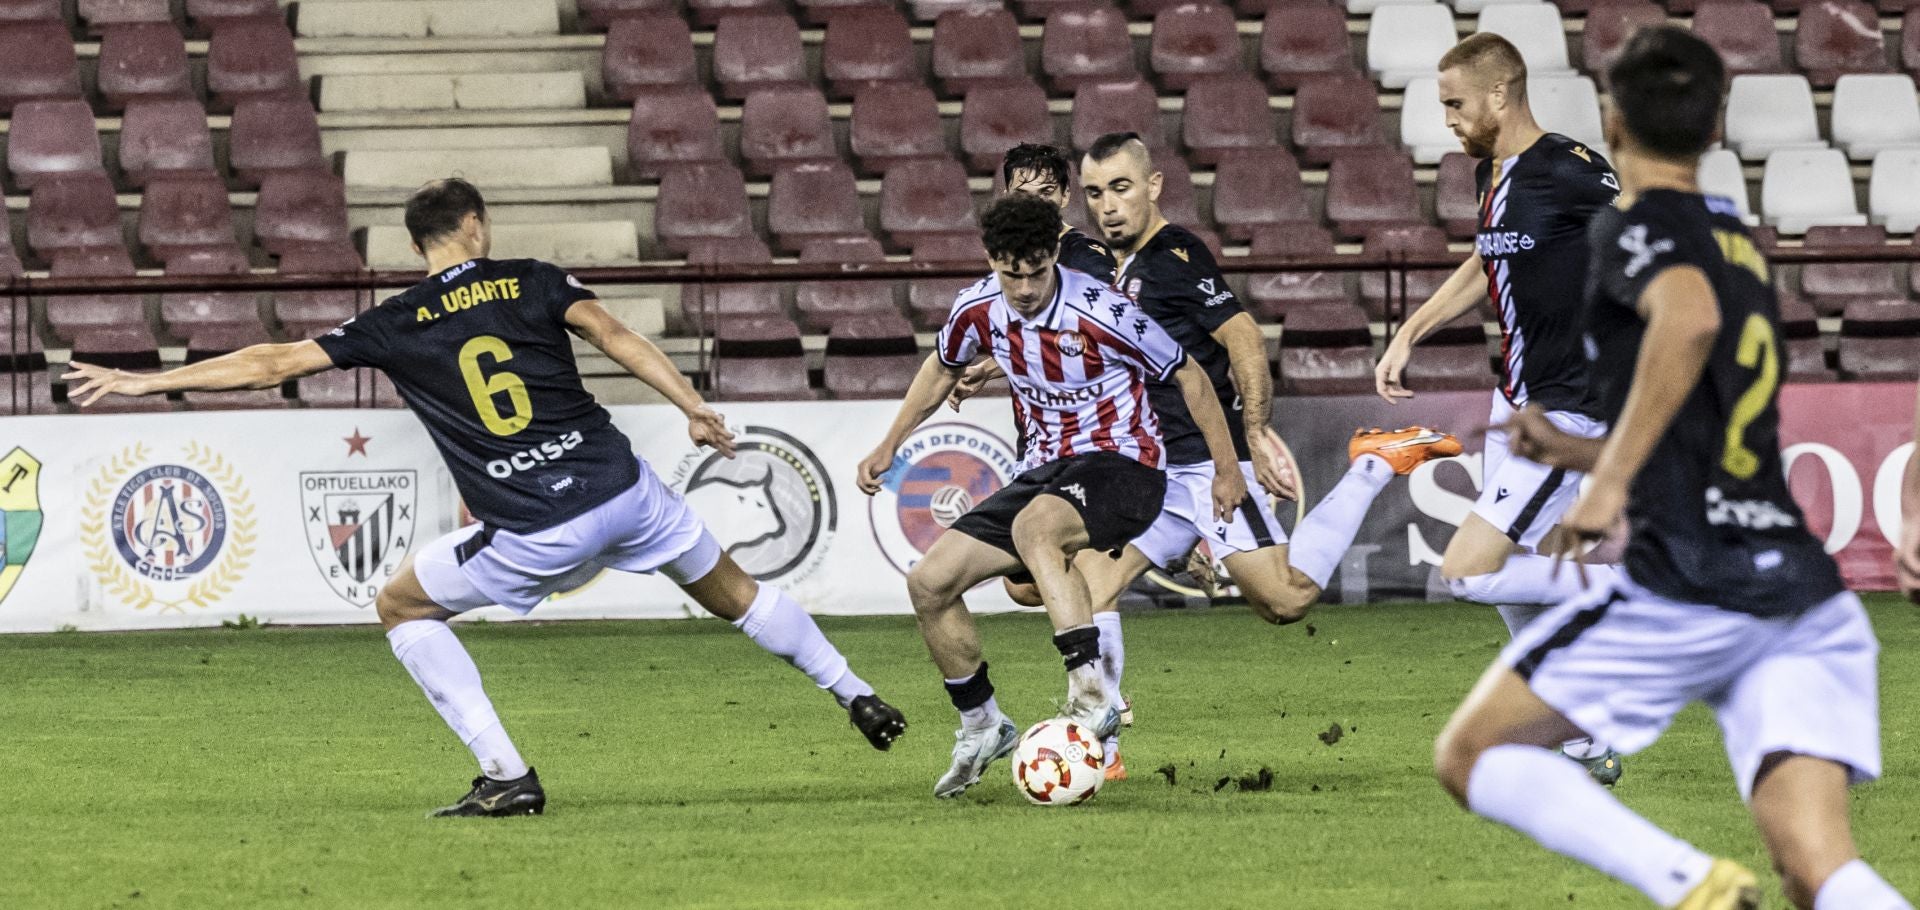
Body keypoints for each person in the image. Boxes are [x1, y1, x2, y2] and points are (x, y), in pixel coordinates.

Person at [64, 178, 907, 817]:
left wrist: (147, 383)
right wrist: (692, 406)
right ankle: (855, 692)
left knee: (401, 605)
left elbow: (272, 361)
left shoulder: (396, 320)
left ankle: (508, 778)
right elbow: (613, 336)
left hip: (535, 526)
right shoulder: (532, 279)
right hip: (625, 489)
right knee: (735, 593)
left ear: (420, 243)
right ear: (475, 227)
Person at [1432, 28, 1908, 909]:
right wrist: (1582, 454)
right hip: (1804, 592)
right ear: (1717, 132)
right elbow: (1703, 412)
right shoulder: (1736, 239)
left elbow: (1683, 322)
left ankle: (1689, 883)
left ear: (1612, 123)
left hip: (1695, 581)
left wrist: (1605, 484)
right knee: (1819, 870)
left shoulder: (1632, 231)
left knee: (1472, 754)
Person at [856, 192, 1244, 799]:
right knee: (929, 582)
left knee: (1038, 528)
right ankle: (982, 724)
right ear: (992, 260)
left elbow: (1189, 374)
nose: (1026, 286)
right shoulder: (976, 309)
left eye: (1037, 270)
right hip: (1044, 472)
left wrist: (1226, 469)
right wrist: (890, 444)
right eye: (1012, 272)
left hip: (1126, 466)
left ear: (1054, 255)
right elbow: (940, 367)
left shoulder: (1104, 310)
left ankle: (1092, 697)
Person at [1372, 33, 1626, 782]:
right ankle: (1576, 736)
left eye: (1453, 103)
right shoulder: (1493, 172)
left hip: (1565, 412)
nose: (1446, 117)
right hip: (1516, 400)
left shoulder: (1569, 170)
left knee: (1467, 572)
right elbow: (1489, 256)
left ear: (1499, 96)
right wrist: (1410, 331)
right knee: (1521, 567)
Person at [1001, 142, 1116, 283]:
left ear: (1065, 195)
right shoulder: (1004, 252)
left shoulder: (1088, 258)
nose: (1034, 204)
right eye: (1022, 195)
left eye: (1045, 193)